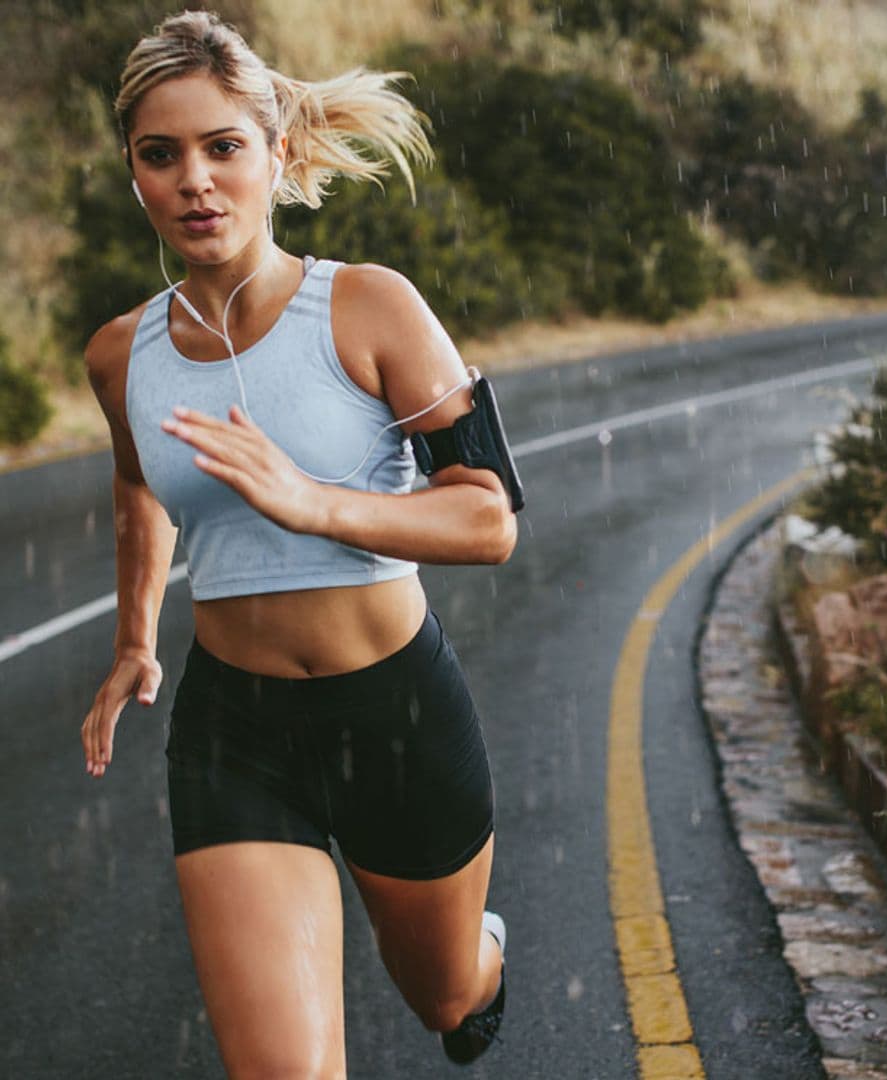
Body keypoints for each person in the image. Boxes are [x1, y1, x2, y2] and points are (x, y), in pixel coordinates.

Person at [78, 9, 517, 1075]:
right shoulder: (119, 355)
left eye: (223, 146)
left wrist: (317, 504)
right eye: (161, 154)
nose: (196, 180)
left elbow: (489, 513)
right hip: (238, 735)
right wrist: (137, 638)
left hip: (395, 711)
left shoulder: (369, 309)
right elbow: (141, 486)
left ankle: (479, 961)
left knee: (443, 996)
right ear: (134, 174)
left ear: (276, 154)